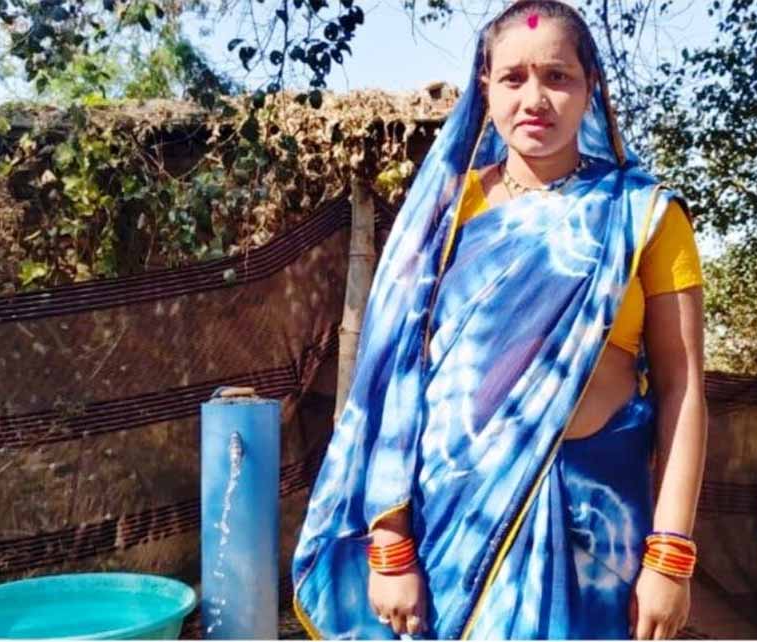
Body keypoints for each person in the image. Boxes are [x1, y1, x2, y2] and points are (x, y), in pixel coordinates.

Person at [292, 1, 707, 639]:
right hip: (452, 525)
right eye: (513, 77)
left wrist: (670, 554)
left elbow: (683, 387)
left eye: (558, 76)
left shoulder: (643, 215)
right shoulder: (441, 217)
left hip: (598, 528)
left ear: (591, 88)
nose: (534, 99)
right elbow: (394, 384)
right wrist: (390, 541)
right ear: (484, 87)